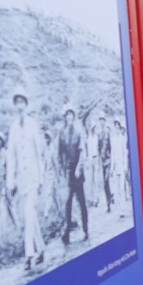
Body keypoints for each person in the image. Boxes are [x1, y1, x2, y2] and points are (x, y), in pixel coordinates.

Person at [5, 89, 46, 270]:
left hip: (34, 178)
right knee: (31, 216)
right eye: (17, 102)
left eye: (22, 102)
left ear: (26, 105)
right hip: (22, 180)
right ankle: (42, 249)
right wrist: (10, 181)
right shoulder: (13, 127)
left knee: (29, 212)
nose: (20, 106)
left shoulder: (32, 124)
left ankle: (29, 254)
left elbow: (39, 153)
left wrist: (41, 178)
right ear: (15, 105)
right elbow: (11, 156)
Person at [58, 104, 88, 244]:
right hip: (69, 174)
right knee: (68, 204)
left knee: (81, 202)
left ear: (73, 116)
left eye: (71, 115)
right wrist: (63, 169)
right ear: (65, 117)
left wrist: (78, 168)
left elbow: (82, 152)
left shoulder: (78, 132)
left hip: (78, 174)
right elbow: (61, 153)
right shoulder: (62, 133)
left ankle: (86, 229)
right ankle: (67, 234)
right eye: (67, 115)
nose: (69, 117)